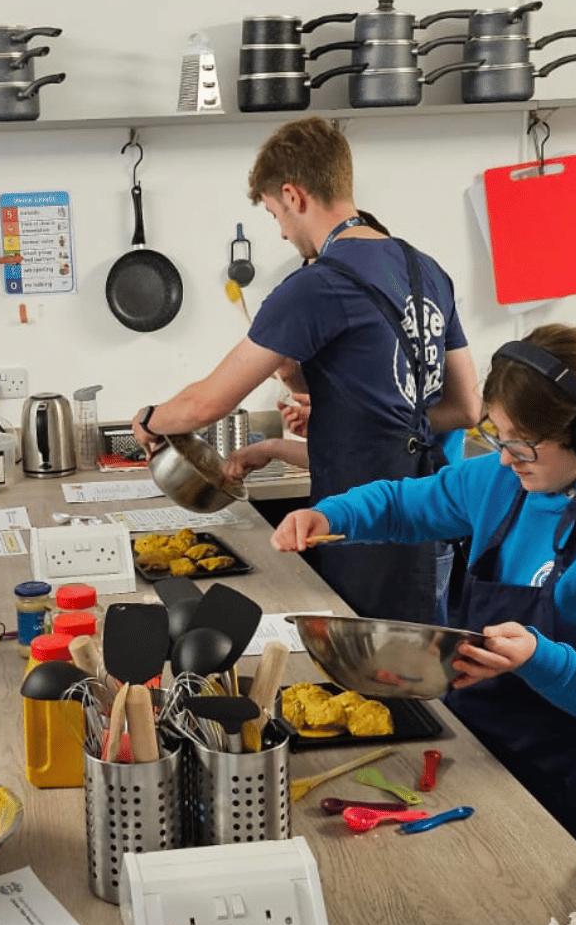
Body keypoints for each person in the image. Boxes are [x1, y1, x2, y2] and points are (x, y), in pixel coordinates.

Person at [132, 117, 480, 625]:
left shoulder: (316, 285)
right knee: (417, 680)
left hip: (361, 529)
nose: (281, 230)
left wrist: (149, 417)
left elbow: (208, 403)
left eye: (275, 213)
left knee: (371, 684)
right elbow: (467, 407)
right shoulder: (424, 267)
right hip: (431, 520)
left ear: (293, 195)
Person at [271, 324, 576, 849]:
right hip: (477, 748)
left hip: (568, 781)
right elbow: (403, 505)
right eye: (497, 435)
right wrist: (329, 514)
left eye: (522, 445)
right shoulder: (501, 481)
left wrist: (538, 657)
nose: (504, 457)